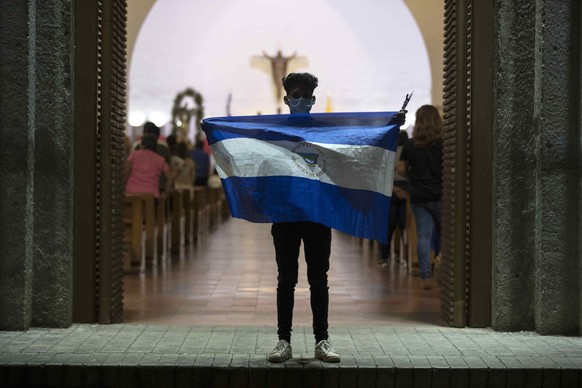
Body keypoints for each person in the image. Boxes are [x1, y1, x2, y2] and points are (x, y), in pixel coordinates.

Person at [267, 72, 341, 364]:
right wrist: (213, 130)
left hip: (317, 212)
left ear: (313, 100)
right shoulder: (274, 132)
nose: (300, 101)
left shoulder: (324, 131)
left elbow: (357, 145)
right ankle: (283, 341)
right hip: (285, 212)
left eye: (305, 97)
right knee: (286, 279)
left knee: (318, 278)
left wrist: (389, 126)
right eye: (294, 96)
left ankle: (321, 340)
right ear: (286, 99)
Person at [398, 105, 443, 290]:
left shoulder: (410, 144)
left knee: (424, 236)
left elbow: (401, 170)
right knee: (444, 235)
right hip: (440, 194)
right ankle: (443, 272)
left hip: (418, 195)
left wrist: (414, 179)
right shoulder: (444, 142)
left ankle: (426, 277)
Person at [379, 130, 410, 267]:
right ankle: (404, 257)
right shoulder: (407, 151)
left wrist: (393, 189)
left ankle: (384, 257)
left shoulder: (388, 152)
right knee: (404, 226)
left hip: (390, 189)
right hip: (406, 188)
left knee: (388, 225)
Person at [125, 134, 173, 199]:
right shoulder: (160, 159)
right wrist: (165, 193)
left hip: (131, 193)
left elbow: (126, 172)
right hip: (151, 194)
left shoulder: (134, 155)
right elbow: (170, 177)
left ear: (142, 145)